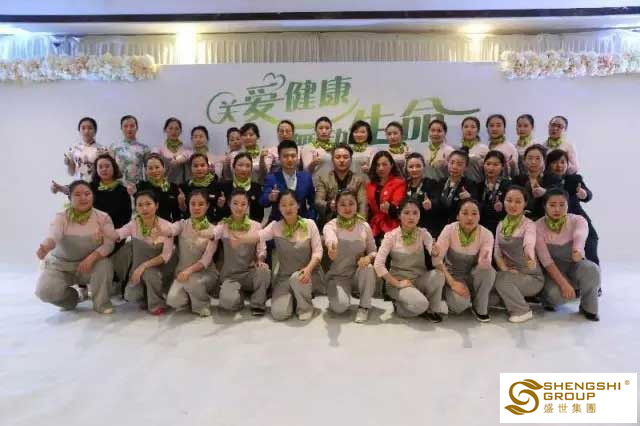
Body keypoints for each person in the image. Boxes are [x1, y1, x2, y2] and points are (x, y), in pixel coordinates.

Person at [240, 190, 324, 321]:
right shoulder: (275, 226)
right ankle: (296, 296)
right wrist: (238, 237)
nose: (287, 208)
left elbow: (318, 252)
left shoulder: (309, 224)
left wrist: (308, 269)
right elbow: (258, 236)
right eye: (283, 205)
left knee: (297, 279)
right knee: (279, 313)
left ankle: (305, 307)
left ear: (298, 205)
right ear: (279, 208)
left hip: (308, 273)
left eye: (291, 204)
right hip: (285, 276)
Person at [35, 180, 116, 314]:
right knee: (43, 292)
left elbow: (109, 244)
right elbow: (53, 235)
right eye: (77, 194)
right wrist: (45, 247)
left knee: (105, 264)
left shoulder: (103, 217)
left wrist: (91, 258)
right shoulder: (61, 217)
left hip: (89, 266)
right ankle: (71, 299)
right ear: (70, 198)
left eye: (87, 194)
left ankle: (101, 303)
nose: (83, 198)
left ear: (92, 196)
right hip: (61, 267)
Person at [374, 198, 445, 322]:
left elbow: (433, 253)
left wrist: (435, 252)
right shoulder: (391, 236)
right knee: (421, 305)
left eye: (415, 213)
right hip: (399, 283)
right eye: (406, 213)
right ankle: (400, 306)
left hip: (419, 279)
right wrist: (397, 283)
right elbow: (378, 264)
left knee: (439, 275)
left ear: (419, 215)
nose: (411, 217)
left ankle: (432, 310)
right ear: (399, 215)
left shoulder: (423, 234)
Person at [536, 189, 600, 321]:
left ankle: (588, 307)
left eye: (562, 205)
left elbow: (580, 234)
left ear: (568, 205)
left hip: (574, 266)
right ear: (544, 206)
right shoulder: (537, 226)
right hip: (552, 272)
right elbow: (546, 260)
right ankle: (547, 300)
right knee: (556, 296)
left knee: (592, 269)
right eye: (552, 205)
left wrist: (577, 249)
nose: (557, 209)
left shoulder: (577, 220)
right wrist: (563, 284)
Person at [113, 190, 176, 315]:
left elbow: (165, 256)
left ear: (156, 205)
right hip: (138, 271)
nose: (144, 208)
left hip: (160, 269)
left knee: (150, 274)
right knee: (131, 295)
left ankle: (157, 303)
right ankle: (146, 293)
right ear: (136, 207)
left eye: (148, 204)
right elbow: (119, 233)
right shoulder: (134, 224)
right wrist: (104, 233)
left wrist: (143, 266)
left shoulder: (167, 227)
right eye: (140, 205)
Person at [433, 199, 496, 322]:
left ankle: (480, 308)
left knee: (489, 270)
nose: (470, 218)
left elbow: (485, 260)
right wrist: (452, 283)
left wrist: (484, 261)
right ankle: (455, 296)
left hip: (473, 275)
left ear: (479, 216)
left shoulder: (487, 234)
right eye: (465, 213)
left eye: (474, 213)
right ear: (457, 216)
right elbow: (437, 260)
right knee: (459, 305)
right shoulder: (449, 229)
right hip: (453, 275)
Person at [323, 190, 377, 323]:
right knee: (339, 307)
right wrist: (331, 247)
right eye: (342, 204)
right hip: (339, 275)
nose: (347, 208)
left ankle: (364, 306)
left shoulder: (364, 226)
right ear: (336, 207)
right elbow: (330, 238)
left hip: (357, 274)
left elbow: (373, 251)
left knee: (368, 268)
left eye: (351, 203)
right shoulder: (331, 225)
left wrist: (368, 258)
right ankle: (337, 295)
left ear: (357, 205)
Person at [493, 186, 544, 323]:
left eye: (518, 201)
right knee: (491, 291)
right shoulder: (500, 225)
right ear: (503, 202)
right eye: (509, 200)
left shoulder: (529, 225)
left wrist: (529, 256)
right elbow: (497, 253)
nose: (513, 205)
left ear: (525, 203)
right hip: (510, 273)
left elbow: (529, 243)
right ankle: (510, 299)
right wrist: (506, 270)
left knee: (501, 280)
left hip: (531, 277)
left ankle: (523, 310)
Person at [217, 189, 271, 316]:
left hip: (249, 273)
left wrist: (260, 260)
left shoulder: (256, 226)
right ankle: (238, 296)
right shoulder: (223, 225)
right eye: (235, 203)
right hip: (230, 275)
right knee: (227, 303)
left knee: (264, 270)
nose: (239, 207)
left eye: (243, 204)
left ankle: (257, 304)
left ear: (247, 206)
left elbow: (261, 249)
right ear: (229, 204)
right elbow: (211, 237)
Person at [166, 189, 219, 317]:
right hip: (182, 273)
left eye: (201, 204)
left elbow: (205, 260)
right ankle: (193, 294)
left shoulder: (213, 230)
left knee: (192, 281)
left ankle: (202, 304)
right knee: (173, 300)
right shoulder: (182, 224)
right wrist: (161, 229)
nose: (196, 207)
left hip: (205, 274)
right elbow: (170, 229)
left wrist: (188, 271)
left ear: (207, 206)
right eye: (193, 204)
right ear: (188, 205)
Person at [546, 149, 599, 265]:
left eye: (562, 162)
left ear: (567, 164)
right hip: (555, 219)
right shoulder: (545, 180)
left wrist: (584, 194)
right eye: (555, 162)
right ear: (548, 164)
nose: (559, 165)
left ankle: (594, 269)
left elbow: (588, 195)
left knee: (591, 237)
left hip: (576, 215)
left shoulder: (574, 179)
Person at [260, 140, 316, 222]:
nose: (290, 159)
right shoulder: (272, 178)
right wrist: (270, 197)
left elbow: (313, 202)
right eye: (285, 156)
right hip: (278, 222)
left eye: (293, 156)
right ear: (279, 158)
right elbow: (262, 201)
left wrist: (310, 219)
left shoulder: (306, 177)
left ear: (297, 157)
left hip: (302, 222)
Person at [314, 143, 367, 228]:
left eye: (345, 157)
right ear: (332, 160)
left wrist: (360, 225)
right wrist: (329, 205)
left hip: (353, 222)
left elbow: (362, 204)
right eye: (338, 157)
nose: (342, 160)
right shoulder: (323, 178)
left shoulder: (359, 179)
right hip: (329, 222)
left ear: (351, 160)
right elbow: (318, 201)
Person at [51, 117, 107, 193]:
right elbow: (71, 173)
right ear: (79, 131)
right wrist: (69, 163)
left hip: (98, 187)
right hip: (79, 186)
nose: (86, 131)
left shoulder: (102, 149)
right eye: (83, 128)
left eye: (90, 128)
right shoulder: (74, 149)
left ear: (95, 131)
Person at [512, 144, 562, 221]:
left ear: (544, 161)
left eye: (538, 158)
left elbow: (561, 194)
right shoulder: (517, 179)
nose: (533, 162)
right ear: (524, 161)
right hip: (521, 220)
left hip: (547, 219)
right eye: (530, 158)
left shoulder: (553, 178)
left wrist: (545, 192)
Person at [366, 151, 406, 244]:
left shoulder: (399, 183)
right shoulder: (370, 185)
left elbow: (398, 206)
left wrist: (390, 208)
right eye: (378, 165)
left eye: (384, 164)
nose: (381, 168)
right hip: (373, 226)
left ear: (391, 165)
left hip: (392, 225)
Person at [404, 153, 445, 238]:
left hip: (427, 229)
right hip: (407, 228)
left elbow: (438, 202)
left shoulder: (431, 183)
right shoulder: (404, 185)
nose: (414, 169)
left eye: (418, 166)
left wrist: (431, 204)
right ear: (406, 169)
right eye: (411, 167)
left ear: (424, 167)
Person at [216, 152, 265, 223]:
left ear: (251, 169)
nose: (244, 169)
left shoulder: (256, 188)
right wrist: (220, 206)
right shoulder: (223, 187)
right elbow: (217, 216)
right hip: (227, 225)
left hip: (250, 227)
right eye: (240, 165)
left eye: (248, 166)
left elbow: (259, 215)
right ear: (233, 167)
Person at [135, 154, 182, 222]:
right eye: (150, 168)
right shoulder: (141, 186)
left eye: (157, 167)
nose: (154, 171)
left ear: (164, 168)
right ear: (146, 171)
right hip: (146, 224)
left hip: (167, 225)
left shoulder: (173, 187)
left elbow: (176, 214)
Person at [438, 150, 480, 224]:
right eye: (452, 163)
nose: (454, 167)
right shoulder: (441, 182)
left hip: (459, 224)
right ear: (447, 163)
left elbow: (477, 206)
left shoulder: (470, 184)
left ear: (466, 167)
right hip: (439, 223)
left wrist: (469, 198)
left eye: (459, 164)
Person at [109, 114, 151, 188]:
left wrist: (148, 186)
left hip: (138, 186)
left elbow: (148, 169)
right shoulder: (114, 147)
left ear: (137, 128)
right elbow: (110, 168)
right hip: (118, 186)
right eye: (125, 126)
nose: (129, 129)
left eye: (132, 126)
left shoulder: (144, 148)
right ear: (121, 128)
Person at [178, 153, 220, 223]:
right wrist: (181, 203)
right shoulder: (184, 186)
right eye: (195, 166)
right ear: (191, 168)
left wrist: (220, 205)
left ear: (208, 167)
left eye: (202, 165)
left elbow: (220, 211)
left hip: (212, 224)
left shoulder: (216, 185)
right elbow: (182, 212)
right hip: (190, 223)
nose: (199, 168)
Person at [478, 150, 511, 234]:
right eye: (488, 164)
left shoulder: (508, 186)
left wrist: (504, 207)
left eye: (495, 165)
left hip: (501, 228)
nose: (491, 168)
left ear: (502, 166)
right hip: (480, 227)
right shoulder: (478, 185)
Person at [154, 117, 191, 185]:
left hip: (182, 186)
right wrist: (177, 159)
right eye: (170, 128)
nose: (173, 131)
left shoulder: (187, 149)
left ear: (180, 131)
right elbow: (153, 160)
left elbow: (190, 158)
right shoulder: (158, 148)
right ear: (165, 130)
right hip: (163, 185)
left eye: (177, 129)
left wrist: (183, 158)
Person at [301, 116, 335, 183]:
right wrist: (313, 163)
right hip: (314, 184)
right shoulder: (308, 147)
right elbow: (305, 171)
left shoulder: (335, 148)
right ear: (315, 130)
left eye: (327, 128)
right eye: (321, 128)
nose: (324, 131)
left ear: (331, 130)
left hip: (332, 184)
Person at [460, 116, 489, 183]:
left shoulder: (484, 149)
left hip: (477, 184)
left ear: (478, 130)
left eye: (473, 127)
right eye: (466, 127)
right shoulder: (458, 148)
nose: (469, 130)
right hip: (460, 185)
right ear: (462, 129)